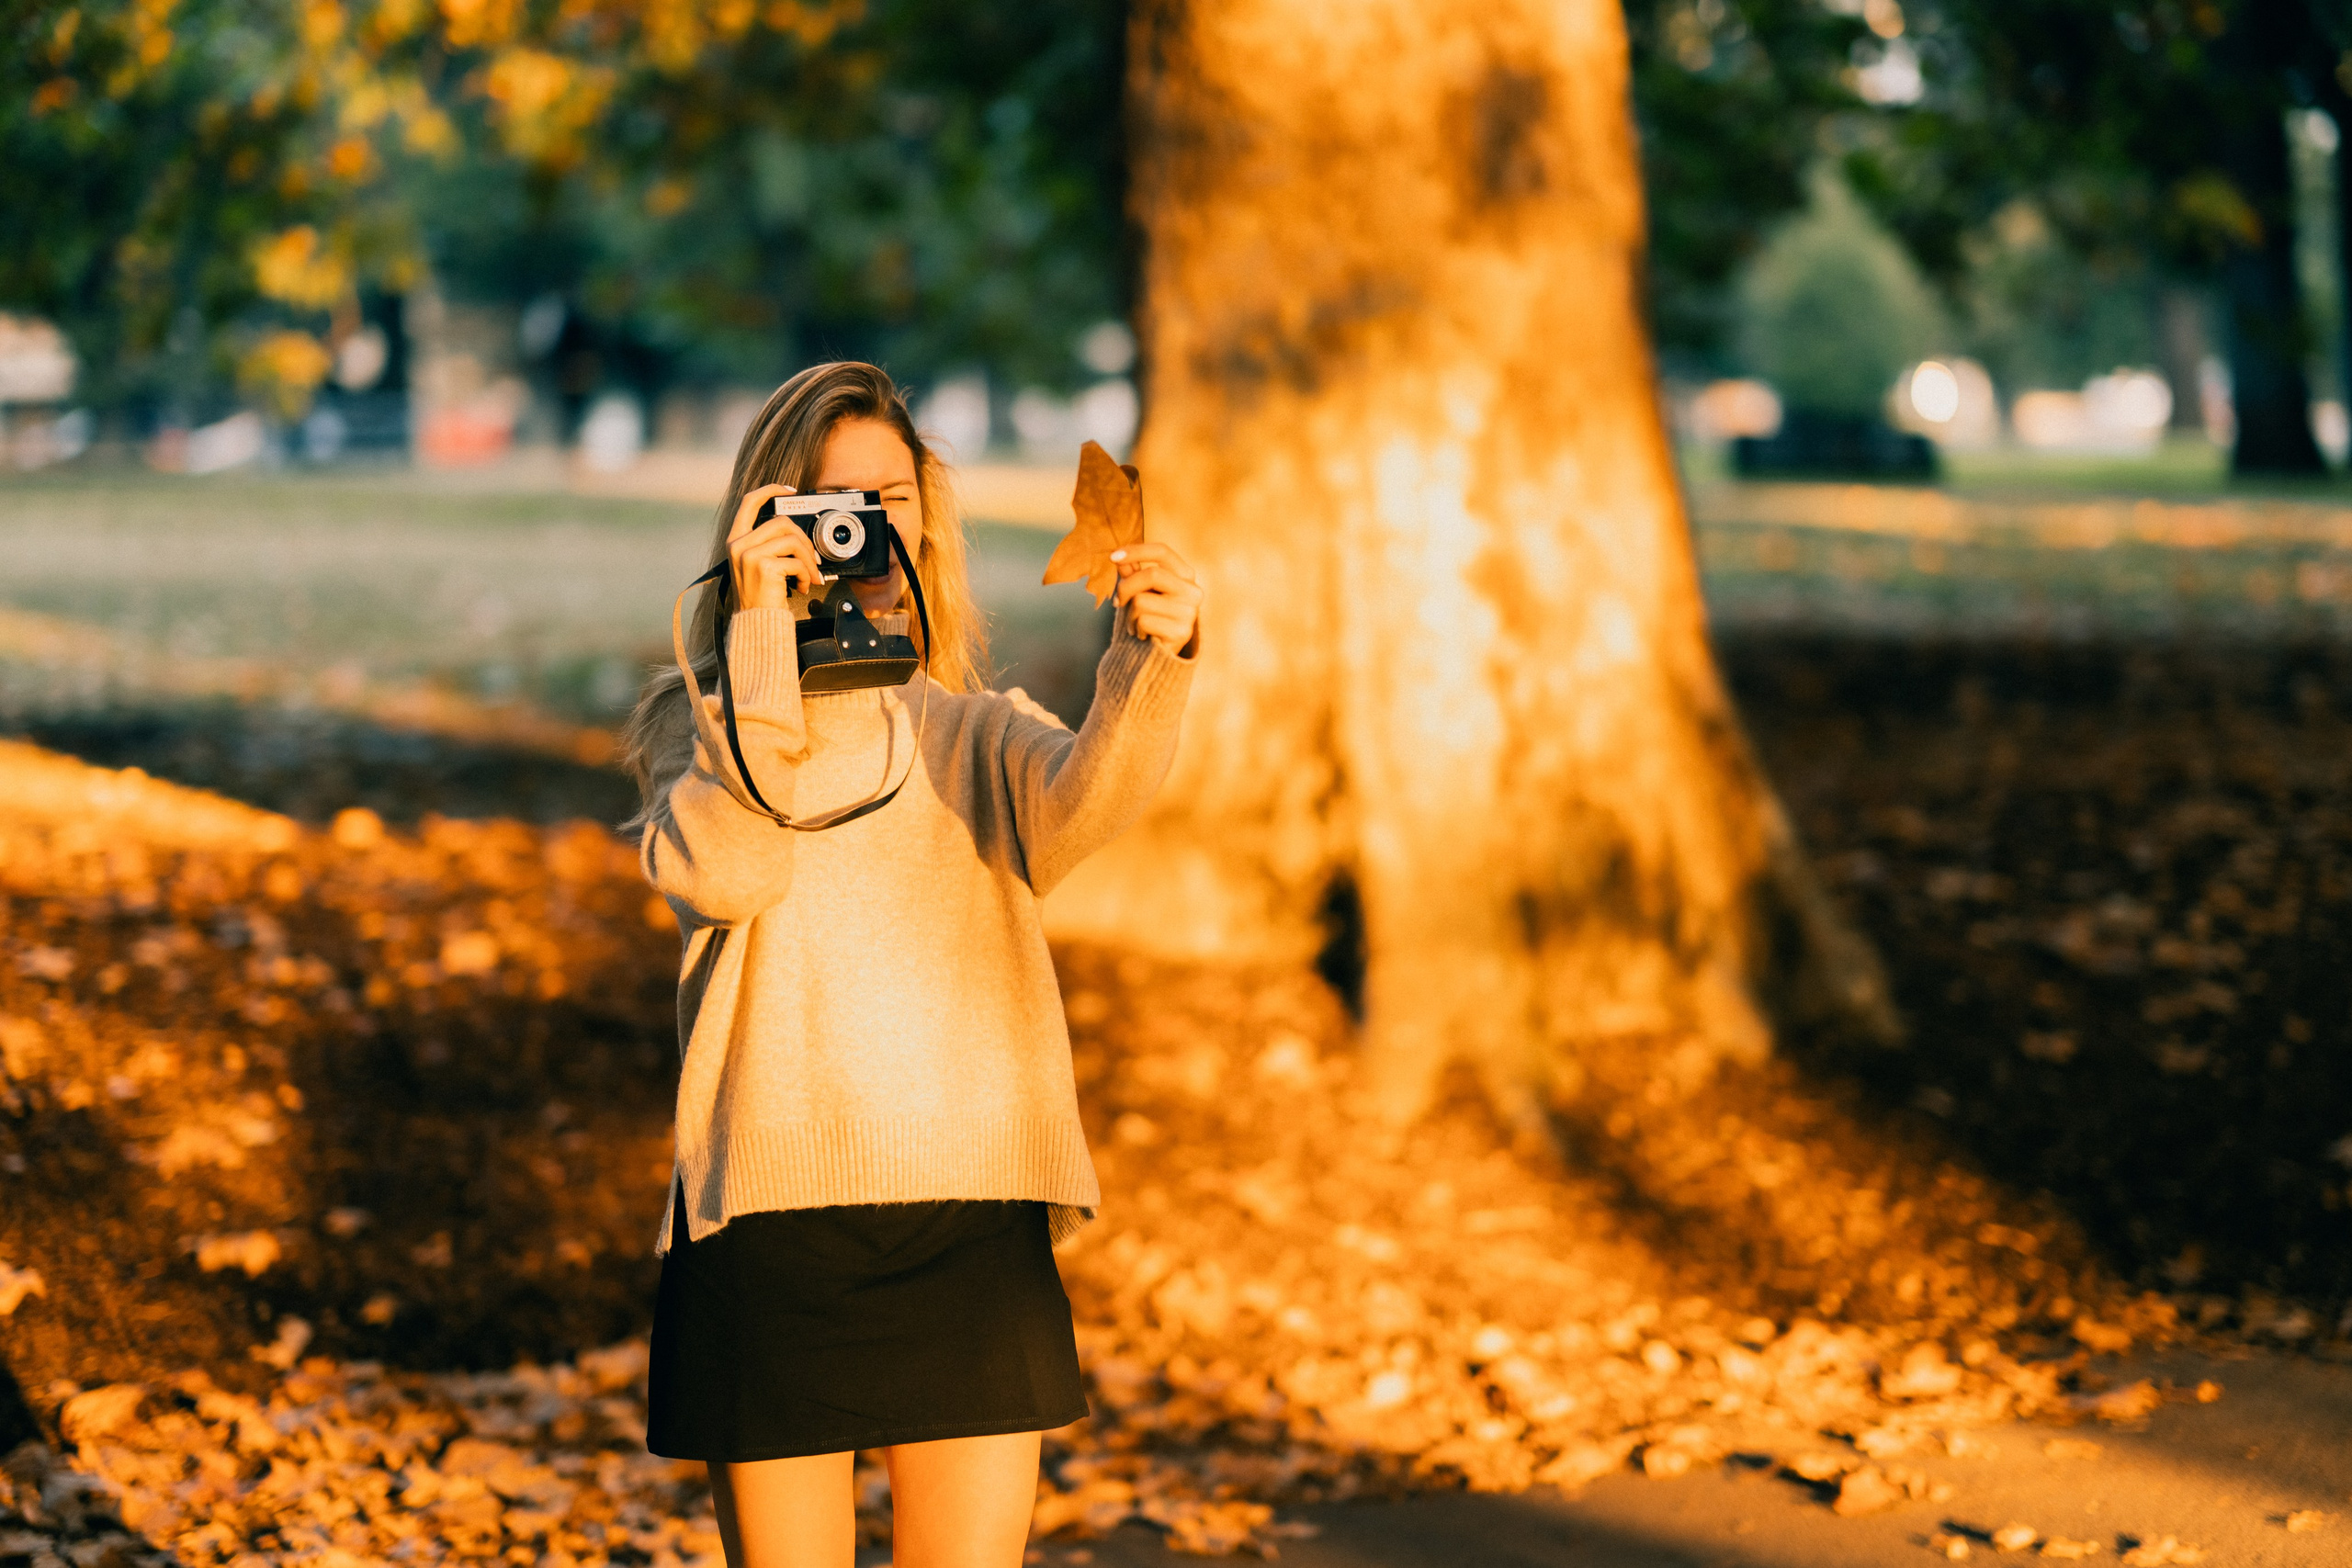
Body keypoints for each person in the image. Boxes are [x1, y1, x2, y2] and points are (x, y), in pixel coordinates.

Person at [619, 360, 1203, 1568]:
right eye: (832, 503)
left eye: (891, 496)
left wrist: (1151, 664)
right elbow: (729, 874)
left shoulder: (974, 730)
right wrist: (763, 650)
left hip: (969, 1218)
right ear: (766, 520)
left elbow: (1083, 810)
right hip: (772, 1235)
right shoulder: (714, 732)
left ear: (926, 513)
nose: (863, 529)